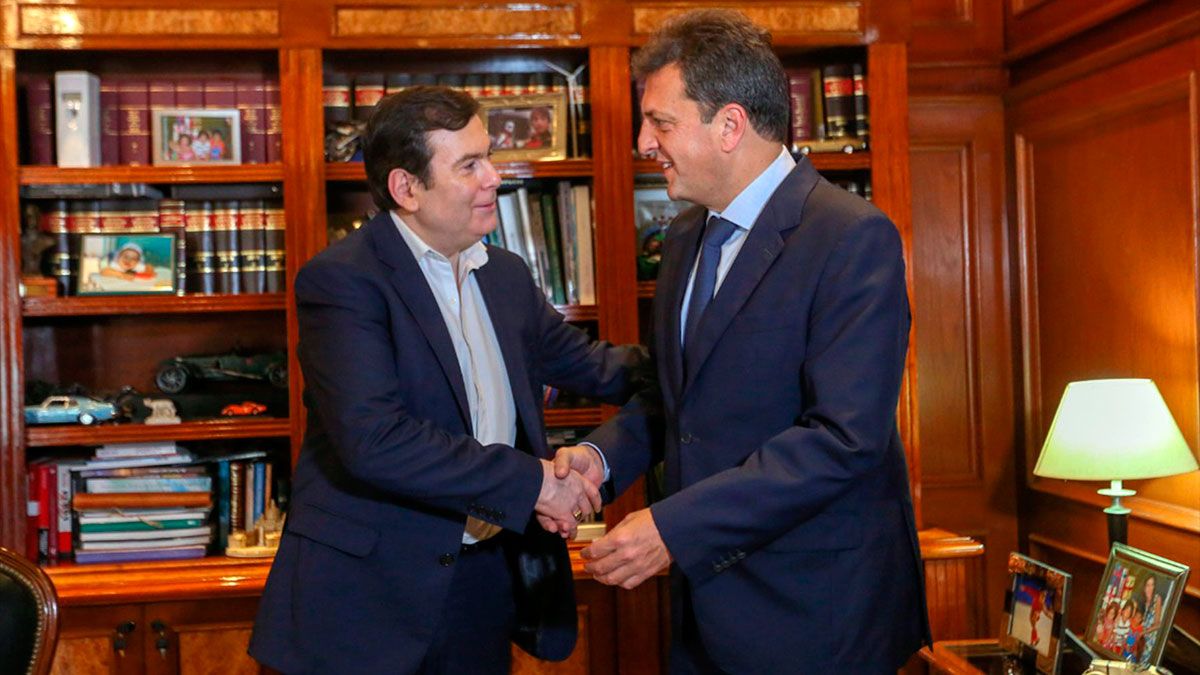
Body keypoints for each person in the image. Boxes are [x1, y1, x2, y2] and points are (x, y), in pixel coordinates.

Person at [553, 9, 929, 673]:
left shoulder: (850, 237)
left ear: (729, 125)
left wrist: (674, 527)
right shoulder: (682, 239)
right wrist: (599, 459)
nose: (643, 142)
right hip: (704, 612)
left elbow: (842, 439)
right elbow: (679, 397)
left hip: (817, 617)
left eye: (660, 122)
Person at [248, 86, 645, 674]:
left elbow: (595, 367)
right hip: (365, 599)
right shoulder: (344, 280)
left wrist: (701, 360)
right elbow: (376, 440)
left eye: (490, 158)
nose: (495, 178)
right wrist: (534, 483)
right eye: (469, 165)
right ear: (406, 188)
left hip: (480, 586)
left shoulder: (505, 274)